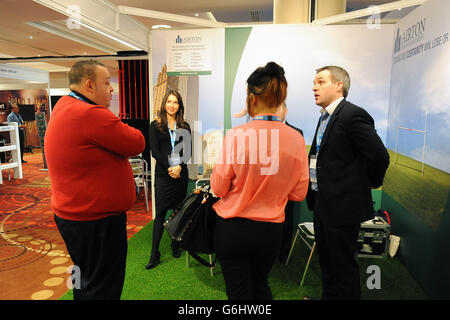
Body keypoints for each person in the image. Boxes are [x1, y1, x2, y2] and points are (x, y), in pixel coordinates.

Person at [44, 60, 145, 300]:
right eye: (107, 83)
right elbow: (137, 141)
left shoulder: (64, 106)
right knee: (103, 289)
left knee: (86, 281)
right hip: (96, 222)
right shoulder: (90, 113)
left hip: (75, 217)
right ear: (89, 85)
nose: (112, 89)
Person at [211, 62, 309, 300]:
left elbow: (219, 187)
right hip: (271, 232)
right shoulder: (296, 139)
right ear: (280, 99)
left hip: (233, 229)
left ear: (251, 98)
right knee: (260, 285)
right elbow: (298, 194)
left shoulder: (235, 136)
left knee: (238, 292)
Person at [306, 66, 390, 300]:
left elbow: (380, 156)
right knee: (328, 261)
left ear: (338, 85)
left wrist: (369, 183)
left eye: (321, 82)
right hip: (323, 201)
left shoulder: (353, 115)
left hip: (343, 206)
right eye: (314, 83)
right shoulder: (325, 117)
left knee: (342, 265)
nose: (314, 87)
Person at [146, 90, 191, 270]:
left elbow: (187, 152)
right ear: (164, 104)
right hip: (164, 175)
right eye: (169, 102)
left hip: (181, 174)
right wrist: (171, 168)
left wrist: (179, 167)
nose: (172, 105)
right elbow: (155, 152)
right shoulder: (155, 125)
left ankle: (175, 243)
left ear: (180, 106)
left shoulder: (184, 126)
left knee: (178, 212)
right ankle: (154, 253)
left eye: (176, 102)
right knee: (160, 215)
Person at [275, 102, 304, 265]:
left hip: (288, 189)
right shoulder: (265, 132)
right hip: (267, 189)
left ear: (286, 111)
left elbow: (299, 162)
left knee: (287, 221)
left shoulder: (296, 132)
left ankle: (284, 253)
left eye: (279, 109)